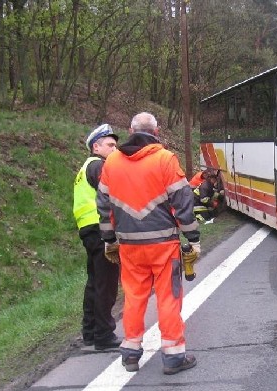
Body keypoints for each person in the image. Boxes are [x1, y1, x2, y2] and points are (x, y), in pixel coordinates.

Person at [96, 112, 200, 374]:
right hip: (163, 244)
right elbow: (183, 204)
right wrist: (194, 239)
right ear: (157, 131)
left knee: (134, 298)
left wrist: (109, 240)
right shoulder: (165, 159)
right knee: (168, 298)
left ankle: (130, 353)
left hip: (129, 247)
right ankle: (174, 356)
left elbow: (103, 206)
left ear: (130, 129)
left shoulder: (112, 162)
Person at [72, 123, 121, 350]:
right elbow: (113, 193)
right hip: (101, 230)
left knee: (94, 282)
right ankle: (103, 335)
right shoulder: (97, 166)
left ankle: (90, 332)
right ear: (96, 146)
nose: (114, 149)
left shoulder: (84, 169)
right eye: (110, 145)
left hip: (88, 230)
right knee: (106, 284)